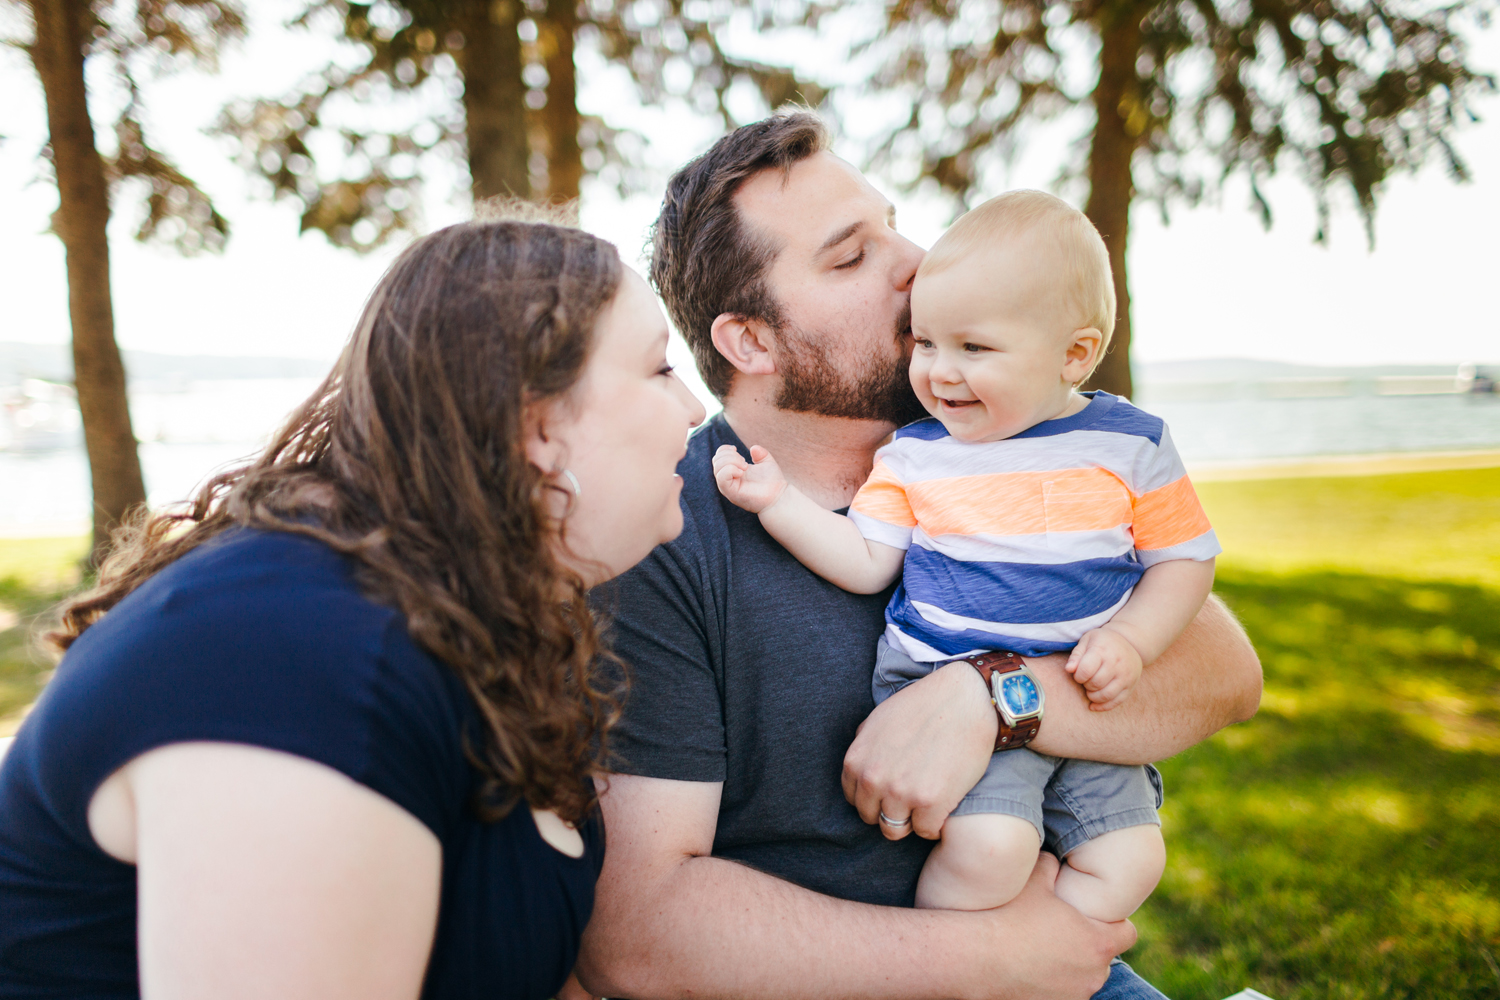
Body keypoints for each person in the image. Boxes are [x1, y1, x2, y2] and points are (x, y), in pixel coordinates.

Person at [577, 113, 1261, 1000]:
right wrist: (989, 963)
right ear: (751, 340)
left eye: (894, 223)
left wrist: (991, 697)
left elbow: (1224, 671)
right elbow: (637, 938)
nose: (912, 260)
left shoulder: (1006, 439)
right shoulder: (666, 527)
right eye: (850, 256)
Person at [0, 220, 706, 999]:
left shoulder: (475, 627)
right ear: (537, 424)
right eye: (660, 367)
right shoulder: (295, 655)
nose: (695, 405)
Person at [711, 189, 1220, 918]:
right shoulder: (918, 454)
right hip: (940, 680)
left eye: (973, 348)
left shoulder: (1130, 444)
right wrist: (778, 504)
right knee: (990, 850)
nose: (939, 372)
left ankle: (1050, 957)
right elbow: (866, 559)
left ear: (1074, 353)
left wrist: (1133, 642)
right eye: (924, 343)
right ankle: (969, 967)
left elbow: (1185, 560)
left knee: (1133, 859)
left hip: (1088, 696)